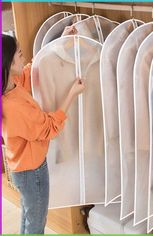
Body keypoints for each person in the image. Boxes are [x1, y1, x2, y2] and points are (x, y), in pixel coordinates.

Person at [2, 26, 84, 234]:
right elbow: (49, 128)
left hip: (23, 169)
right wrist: (72, 94)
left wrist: (59, 42)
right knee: (36, 222)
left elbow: (32, 69)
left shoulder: (10, 86)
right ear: (8, 65)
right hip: (32, 173)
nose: (24, 56)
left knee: (29, 216)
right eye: (19, 54)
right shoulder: (15, 107)